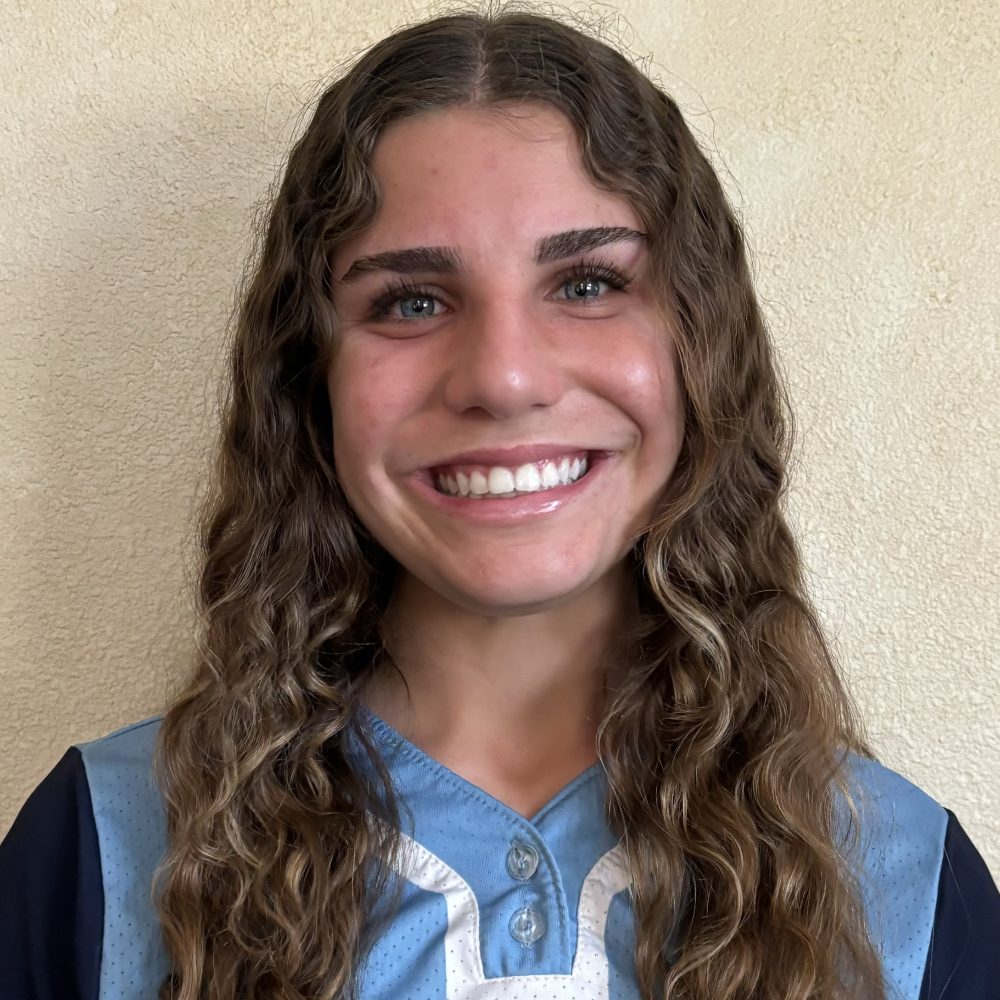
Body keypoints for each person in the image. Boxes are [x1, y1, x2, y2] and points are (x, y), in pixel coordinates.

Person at [1, 8, 997, 1000]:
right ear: (309, 382)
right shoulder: (100, 857)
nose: (505, 378)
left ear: (699, 347)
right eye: (411, 301)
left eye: (587, 283)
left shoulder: (905, 888)